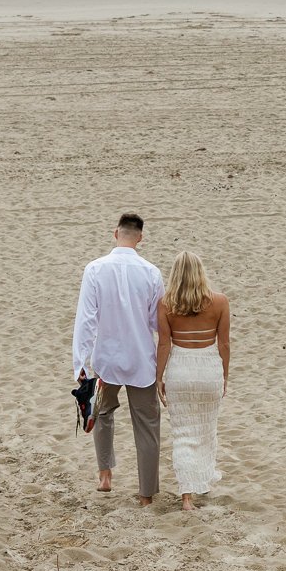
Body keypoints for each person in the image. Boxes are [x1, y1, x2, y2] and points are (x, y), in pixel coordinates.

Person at [71, 213, 166, 504]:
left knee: (102, 414)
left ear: (115, 233)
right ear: (140, 238)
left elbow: (85, 318)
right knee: (147, 424)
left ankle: (105, 474)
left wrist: (80, 362)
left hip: (107, 357)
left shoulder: (95, 269)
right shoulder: (151, 272)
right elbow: (157, 322)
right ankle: (146, 493)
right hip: (141, 357)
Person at [154, 250, 230, 512]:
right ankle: (202, 483)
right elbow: (224, 343)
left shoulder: (166, 304)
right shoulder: (220, 302)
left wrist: (158, 377)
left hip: (180, 369)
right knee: (206, 431)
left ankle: (187, 496)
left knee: (183, 434)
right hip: (208, 368)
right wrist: (225, 374)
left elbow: (164, 344)